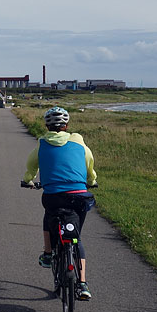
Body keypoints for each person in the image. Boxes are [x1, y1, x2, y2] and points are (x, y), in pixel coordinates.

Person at [23, 106, 98, 300]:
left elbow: (31, 165)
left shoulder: (42, 143)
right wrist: (91, 180)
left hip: (53, 196)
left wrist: (28, 180)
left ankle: (48, 254)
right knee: (76, 238)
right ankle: (82, 284)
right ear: (67, 125)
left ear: (46, 126)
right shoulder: (78, 140)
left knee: (48, 216)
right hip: (79, 195)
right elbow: (89, 162)